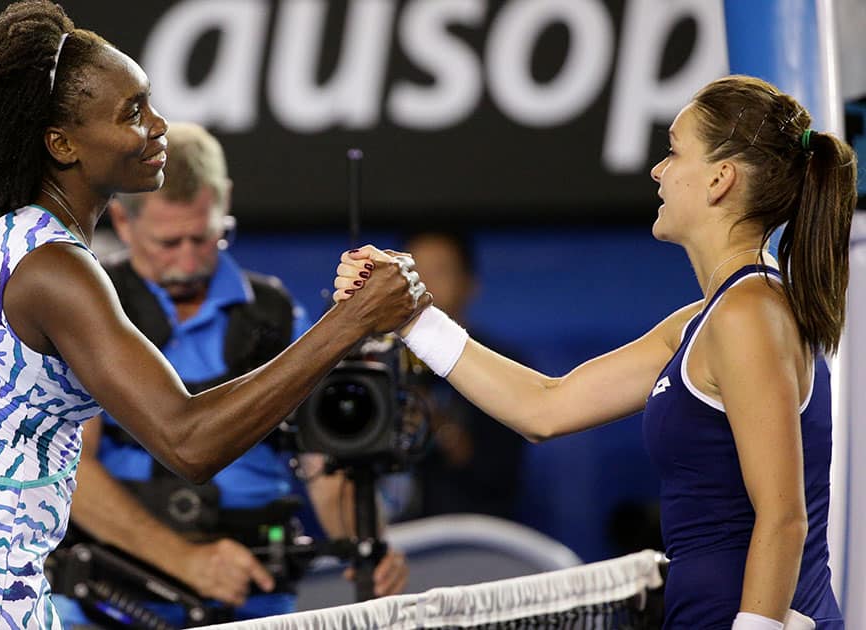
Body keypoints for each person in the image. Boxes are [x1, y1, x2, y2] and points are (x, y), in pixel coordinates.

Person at [0, 2, 424, 628]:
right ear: (62, 144)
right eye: (133, 112)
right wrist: (348, 324)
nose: (159, 125)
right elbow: (188, 441)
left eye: (150, 101)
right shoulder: (56, 269)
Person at [336, 75, 856, 629]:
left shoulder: (748, 314)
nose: (658, 170)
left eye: (675, 151)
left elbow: (783, 519)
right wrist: (414, 315)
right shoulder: (710, 320)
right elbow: (545, 406)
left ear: (719, 179)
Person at [52, 122, 407, 627]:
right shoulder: (91, 306)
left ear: (224, 203)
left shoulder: (277, 315)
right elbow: (71, 473)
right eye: (167, 243)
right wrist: (185, 561)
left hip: (255, 601)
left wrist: (368, 546)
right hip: (109, 600)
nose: (188, 260)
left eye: (204, 237)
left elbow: (322, 467)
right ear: (123, 223)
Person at [391, 231, 524, 521]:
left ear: (469, 284)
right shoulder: (380, 367)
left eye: (440, 271)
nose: (424, 284)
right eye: (414, 273)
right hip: (395, 542)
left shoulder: (504, 365)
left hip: (476, 539)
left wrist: (438, 425)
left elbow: (499, 473)